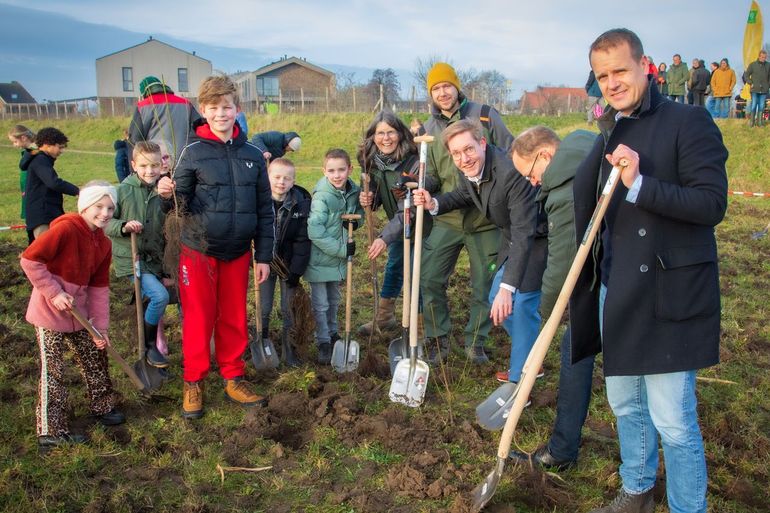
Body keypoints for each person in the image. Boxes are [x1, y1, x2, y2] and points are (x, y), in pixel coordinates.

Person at [573, 28, 728, 513]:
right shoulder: (608, 129)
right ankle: (637, 490)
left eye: (620, 70)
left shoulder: (691, 119)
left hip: (668, 291)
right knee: (626, 406)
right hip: (617, 288)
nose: (612, 82)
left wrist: (640, 184)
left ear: (646, 66)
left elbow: (711, 202)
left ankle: (688, 507)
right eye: (603, 76)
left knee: (674, 421)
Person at [156, 75, 274, 420]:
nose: (221, 113)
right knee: (198, 317)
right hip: (199, 249)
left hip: (239, 251)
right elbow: (176, 206)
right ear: (204, 110)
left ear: (237, 109)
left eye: (227, 106)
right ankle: (193, 380)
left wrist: (263, 255)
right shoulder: (191, 152)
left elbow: (265, 209)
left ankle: (233, 376)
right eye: (214, 107)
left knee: (234, 316)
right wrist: (168, 193)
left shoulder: (253, 155)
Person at [413, 119, 545, 386]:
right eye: (457, 153)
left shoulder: (510, 173)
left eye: (469, 149)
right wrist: (434, 202)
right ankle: (531, 350)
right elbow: (464, 194)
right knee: (498, 300)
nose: (464, 158)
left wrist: (510, 287)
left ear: (482, 143)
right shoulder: (470, 169)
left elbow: (524, 230)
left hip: (540, 238)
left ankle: (522, 377)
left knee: (519, 305)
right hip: (513, 236)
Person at [506, 126, 597, 470]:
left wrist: (546, 317)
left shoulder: (563, 189)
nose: (531, 182)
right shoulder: (583, 143)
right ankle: (564, 448)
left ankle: (562, 451)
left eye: (530, 173)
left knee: (575, 352)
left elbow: (561, 262)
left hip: (611, 285)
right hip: (612, 276)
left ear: (545, 154)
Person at [20, 180, 126, 454]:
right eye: (98, 206)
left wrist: (100, 328)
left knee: (95, 355)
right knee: (53, 369)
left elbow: (99, 288)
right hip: (49, 312)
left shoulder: (104, 243)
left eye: (110, 208)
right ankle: (51, 431)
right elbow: (30, 260)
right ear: (84, 206)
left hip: (79, 315)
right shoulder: (66, 229)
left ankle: (103, 405)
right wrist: (54, 292)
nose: (104, 213)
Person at [420, 62, 514, 364]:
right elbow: (433, 175)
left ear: (457, 86)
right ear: (431, 94)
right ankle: (437, 338)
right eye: (436, 88)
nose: (443, 92)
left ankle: (476, 341)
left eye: (447, 85)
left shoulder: (485, 115)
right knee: (430, 279)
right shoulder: (428, 130)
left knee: (483, 284)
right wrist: (421, 185)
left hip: (485, 219)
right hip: (446, 218)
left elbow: (510, 152)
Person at [106, 141, 170, 369]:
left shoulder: (162, 191)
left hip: (156, 261)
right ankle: (150, 344)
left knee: (165, 297)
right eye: (143, 165)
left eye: (154, 165)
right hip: (132, 261)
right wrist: (123, 226)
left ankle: (152, 341)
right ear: (133, 165)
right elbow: (106, 222)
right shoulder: (122, 191)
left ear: (161, 165)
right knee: (160, 296)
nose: (149, 171)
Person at [358, 111, 421, 335]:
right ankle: (384, 317)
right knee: (395, 266)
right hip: (398, 225)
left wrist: (384, 238)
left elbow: (410, 207)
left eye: (391, 132)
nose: (386, 138)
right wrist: (367, 197)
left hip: (424, 224)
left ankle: (420, 326)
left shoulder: (412, 162)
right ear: (373, 136)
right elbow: (373, 195)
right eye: (380, 133)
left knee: (416, 271)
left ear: (401, 134)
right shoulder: (371, 162)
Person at [304, 148, 363, 365]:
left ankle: (334, 333)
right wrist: (341, 250)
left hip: (337, 260)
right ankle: (323, 341)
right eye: (331, 171)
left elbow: (359, 214)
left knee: (334, 300)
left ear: (350, 169)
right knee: (320, 304)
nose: (337, 175)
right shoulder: (322, 197)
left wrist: (356, 222)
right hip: (320, 259)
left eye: (341, 170)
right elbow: (315, 231)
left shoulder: (352, 191)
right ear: (324, 171)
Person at [260, 158, 312, 367]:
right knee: (264, 308)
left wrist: (295, 271)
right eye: (277, 177)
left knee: (287, 308)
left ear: (293, 181)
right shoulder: (260, 201)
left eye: (287, 178)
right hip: (264, 264)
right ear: (268, 178)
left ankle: (289, 350)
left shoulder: (300, 204)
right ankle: (262, 344)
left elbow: (302, 240)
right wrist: (258, 259)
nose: (281, 182)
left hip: (288, 265)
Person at [21, 127, 79, 239]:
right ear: (47, 145)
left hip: (46, 213)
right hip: (42, 216)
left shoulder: (42, 159)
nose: (61, 151)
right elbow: (53, 182)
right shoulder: (40, 160)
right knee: (45, 249)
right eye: (59, 147)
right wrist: (77, 191)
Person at [128, 76, 200, 161]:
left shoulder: (143, 106)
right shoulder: (185, 103)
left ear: (144, 92)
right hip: (185, 160)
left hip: (156, 163)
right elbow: (199, 129)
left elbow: (135, 139)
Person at [7, 124, 37, 245]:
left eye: (15, 141)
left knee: (32, 220)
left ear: (24, 138)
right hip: (26, 188)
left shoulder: (34, 149)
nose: (14, 145)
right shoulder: (29, 151)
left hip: (32, 189)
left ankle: (33, 248)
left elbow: (23, 164)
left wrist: (31, 149)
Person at [744, 50, 770, 126]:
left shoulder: (768, 65)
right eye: (762, 57)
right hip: (754, 89)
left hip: (764, 90)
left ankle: (759, 122)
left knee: (762, 106)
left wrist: (768, 85)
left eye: (765, 57)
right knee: (754, 105)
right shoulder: (753, 65)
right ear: (759, 56)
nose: (763, 58)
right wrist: (750, 82)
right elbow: (746, 75)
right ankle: (752, 122)